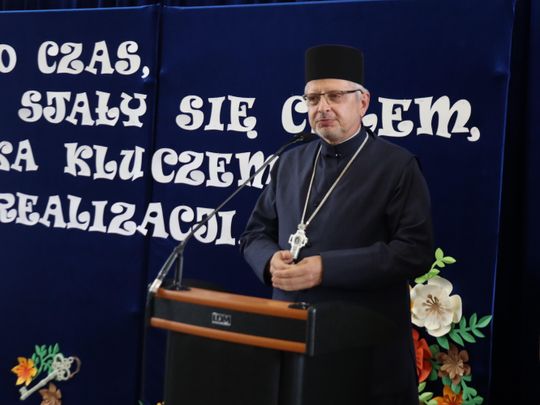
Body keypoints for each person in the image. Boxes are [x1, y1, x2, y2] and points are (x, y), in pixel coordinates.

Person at [240, 44, 433, 405]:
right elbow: (254, 233)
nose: (322, 107)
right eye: (313, 98)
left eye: (334, 96)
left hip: (365, 349)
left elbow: (414, 252)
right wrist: (269, 261)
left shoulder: (397, 166)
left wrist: (325, 269)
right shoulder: (288, 162)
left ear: (363, 102)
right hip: (292, 340)